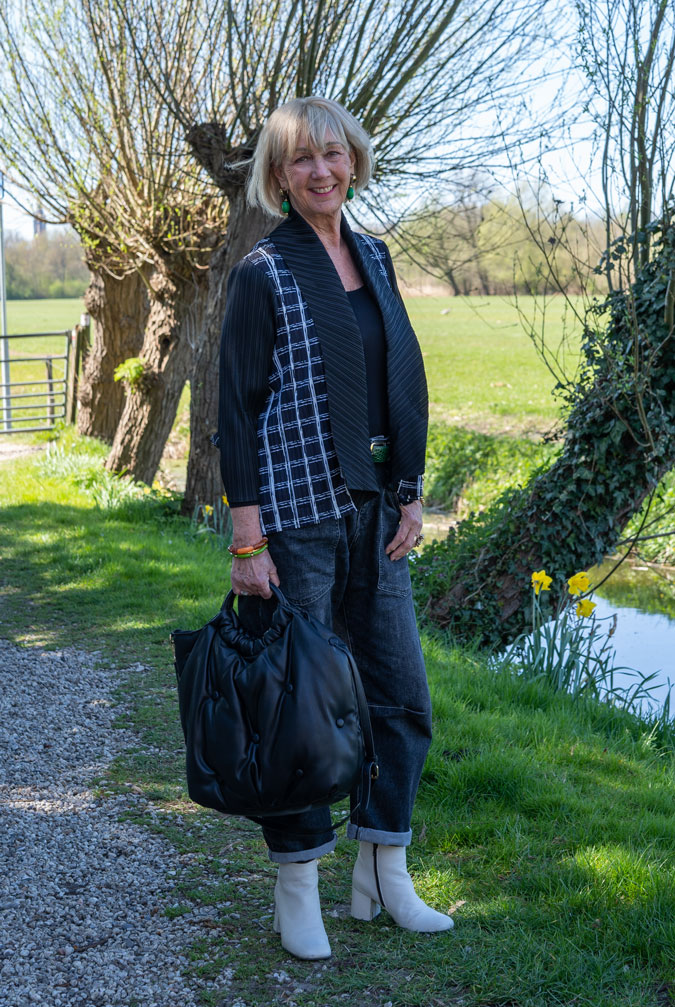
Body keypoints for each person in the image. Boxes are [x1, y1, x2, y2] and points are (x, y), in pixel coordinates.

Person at [217, 96, 453, 960]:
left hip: (375, 515)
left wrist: (411, 492)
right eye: (299, 160)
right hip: (294, 519)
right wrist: (248, 540)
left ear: (353, 160)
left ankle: (383, 871)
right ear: (278, 179)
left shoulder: (376, 257)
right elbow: (234, 418)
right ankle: (297, 886)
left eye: (332, 154)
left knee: (401, 697)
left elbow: (400, 380)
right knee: (300, 713)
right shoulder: (263, 273)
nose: (320, 171)